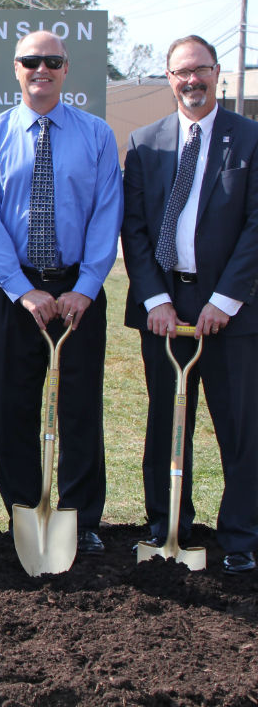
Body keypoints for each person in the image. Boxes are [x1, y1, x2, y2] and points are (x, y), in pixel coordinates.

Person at [0, 30, 123, 556]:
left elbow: (107, 213)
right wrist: (22, 289)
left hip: (78, 290)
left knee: (79, 408)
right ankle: (24, 515)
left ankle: (80, 520)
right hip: (13, 292)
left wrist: (86, 287)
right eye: (31, 60)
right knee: (12, 406)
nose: (42, 69)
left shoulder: (97, 135)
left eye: (52, 61)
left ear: (65, 68)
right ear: (16, 68)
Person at [121, 34, 258, 575]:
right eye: (181, 72)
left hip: (230, 308)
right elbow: (134, 228)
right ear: (169, 79)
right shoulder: (145, 142)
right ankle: (168, 527)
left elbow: (255, 226)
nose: (191, 80)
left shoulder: (249, 138)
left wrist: (225, 300)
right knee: (166, 420)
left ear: (217, 72)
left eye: (200, 69)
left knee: (239, 426)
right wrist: (155, 298)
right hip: (165, 305)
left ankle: (241, 538)